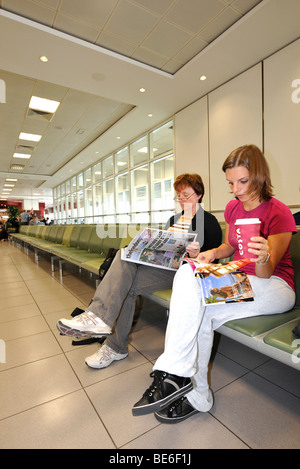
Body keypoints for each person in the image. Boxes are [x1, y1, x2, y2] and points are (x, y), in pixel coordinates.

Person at [132, 144, 297, 423]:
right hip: (242, 279)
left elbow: (267, 271)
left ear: (259, 175)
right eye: (230, 183)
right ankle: (193, 389)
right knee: (189, 278)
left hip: (276, 286)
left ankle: (174, 377)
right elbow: (230, 245)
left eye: (243, 181)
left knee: (197, 304)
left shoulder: (279, 212)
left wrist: (264, 254)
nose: (236, 190)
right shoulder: (233, 208)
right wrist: (212, 254)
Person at [57, 174, 222, 369]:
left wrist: (198, 254)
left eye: (186, 195)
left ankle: (109, 336)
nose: (182, 200)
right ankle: (103, 325)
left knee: (126, 284)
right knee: (123, 255)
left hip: (184, 273)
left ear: (199, 194)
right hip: (162, 266)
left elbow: (212, 261)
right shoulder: (174, 219)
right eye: (178, 196)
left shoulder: (209, 222)